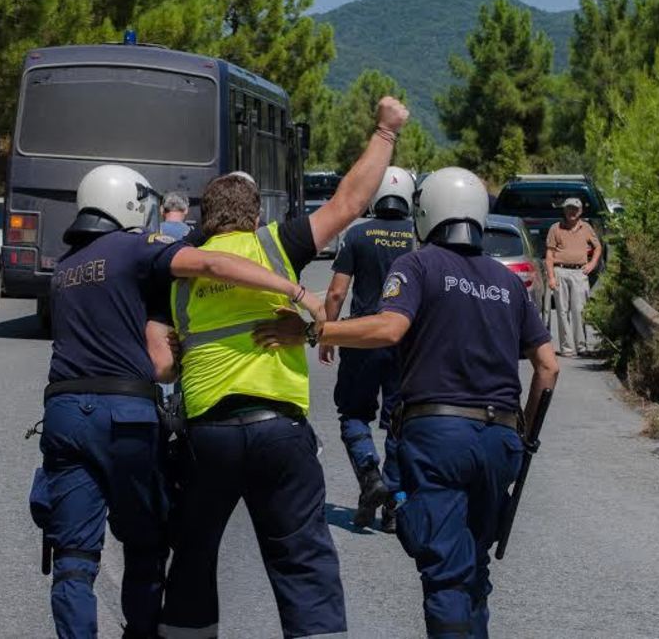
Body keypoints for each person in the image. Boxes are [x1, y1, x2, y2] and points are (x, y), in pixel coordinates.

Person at [26, 164, 324, 639]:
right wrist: (295, 290)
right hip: (123, 413)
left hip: (62, 414)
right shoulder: (134, 248)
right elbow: (207, 265)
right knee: (146, 544)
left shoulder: (64, 269)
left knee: (73, 558)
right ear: (129, 204)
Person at [261, 166, 559, 638]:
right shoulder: (506, 282)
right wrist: (526, 437)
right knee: (473, 570)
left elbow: (390, 328)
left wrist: (317, 330)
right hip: (502, 439)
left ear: (428, 213)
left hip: (439, 436)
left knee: (444, 573)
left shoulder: (418, 265)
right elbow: (548, 366)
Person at [158, 97, 410, 639]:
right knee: (302, 559)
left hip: (209, 433)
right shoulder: (276, 245)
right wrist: (386, 133)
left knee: (193, 556)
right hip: (279, 430)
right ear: (255, 217)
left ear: (205, 219)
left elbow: (162, 359)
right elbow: (348, 202)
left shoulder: (181, 278)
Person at [318, 165, 416, 532]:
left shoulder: (357, 234)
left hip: (362, 337)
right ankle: (394, 499)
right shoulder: (417, 237)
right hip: (405, 341)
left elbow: (337, 291)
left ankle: (369, 474)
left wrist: (328, 334)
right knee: (399, 421)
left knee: (353, 413)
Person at [545, 196, 601, 356]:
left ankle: (581, 347)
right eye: (569, 208)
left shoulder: (587, 228)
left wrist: (592, 264)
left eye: (575, 209)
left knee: (579, 310)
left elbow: (598, 248)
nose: (572, 212)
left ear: (580, 211)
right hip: (560, 271)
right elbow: (549, 254)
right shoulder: (555, 228)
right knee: (562, 311)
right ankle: (567, 348)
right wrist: (551, 277)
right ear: (564, 210)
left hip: (579, 273)